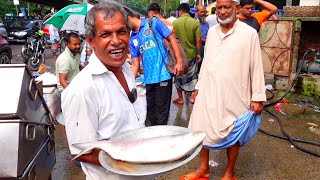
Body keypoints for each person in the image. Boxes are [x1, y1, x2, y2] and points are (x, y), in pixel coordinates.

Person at [61, 2, 149, 179]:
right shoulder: (81, 90)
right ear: (91, 40)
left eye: (121, 32)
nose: (116, 41)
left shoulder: (126, 69)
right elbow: (81, 152)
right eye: (106, 34)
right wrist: (133, 164)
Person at [181, 0, 266, 179]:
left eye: (226, 7)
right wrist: (198, 86)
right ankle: (204, 169)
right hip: (208, 90)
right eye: (219, 8)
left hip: (236, 92)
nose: (222, 11)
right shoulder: (212, 32)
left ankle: (229, 173)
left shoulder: (249, 34)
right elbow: (207, 62)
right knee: (200, 128)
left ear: (236, 8)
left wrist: (258, 97)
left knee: (233, 132)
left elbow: (256, 66)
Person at [125, 6, 184, 126]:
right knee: (151, 113)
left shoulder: (153, 22)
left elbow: (171, 38)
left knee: (162, 114)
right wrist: (128, 85)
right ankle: (157, 137)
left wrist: (179, 61)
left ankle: (163, 141)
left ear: (128, 18)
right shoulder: (133, 39)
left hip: (163, 75)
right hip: (148, 79)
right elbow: (135, 63)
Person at [172, 3, 202, 105]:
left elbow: (173, 40)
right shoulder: (195, 23)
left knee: (178, 77)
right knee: (193, 76)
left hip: (179, 55)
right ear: (188, 11)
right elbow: (198, 40)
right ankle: (193, 97)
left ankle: (180, 99)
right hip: (192, 54)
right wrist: (198, 53)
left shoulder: (175, 23)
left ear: (180, 11)